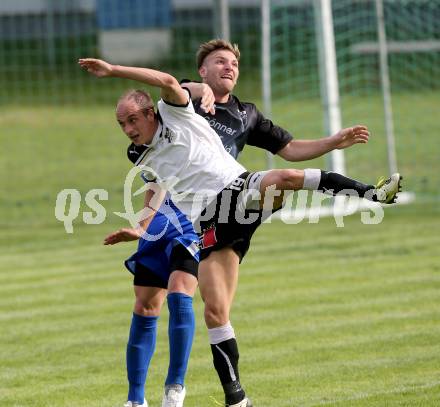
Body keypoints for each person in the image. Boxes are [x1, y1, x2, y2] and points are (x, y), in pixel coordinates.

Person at [78, 56, 401, 407]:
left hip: (236, 187)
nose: (127, 128)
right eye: (121, 123)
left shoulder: (174, 110)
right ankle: (237, 399)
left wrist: (113, 70)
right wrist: (142, 227)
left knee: (284, 178)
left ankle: (373, 193)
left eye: (132, 120)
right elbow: (157, 184)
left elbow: (168, 81)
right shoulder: (137, 152)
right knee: (215, 311)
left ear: (150, 113)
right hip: (208, 221)